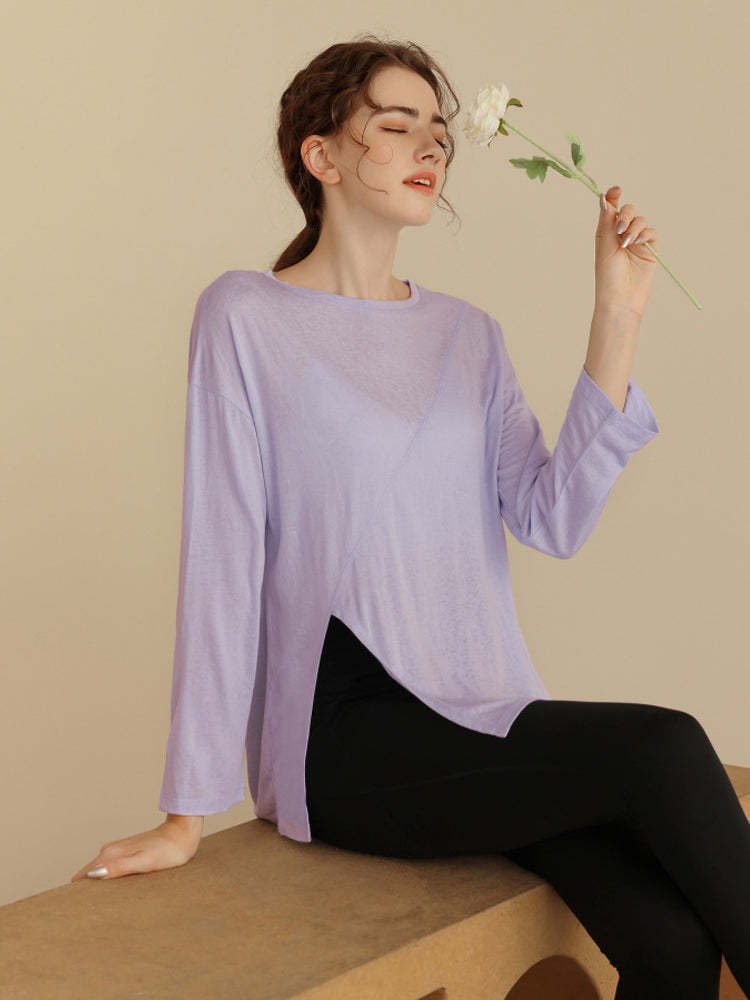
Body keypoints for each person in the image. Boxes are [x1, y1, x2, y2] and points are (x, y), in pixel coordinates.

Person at [71, 34, 750, 999]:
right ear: (322, 155)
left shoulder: (467, 335)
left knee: (670, 941)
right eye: (396, 126)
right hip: (344, 734)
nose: (430, 145)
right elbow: (222, 559)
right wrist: (187, 813)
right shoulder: (246, 317)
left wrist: (618, 312)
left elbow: (551, 519)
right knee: (665, 745)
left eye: (438, 129)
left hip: (480, 707)